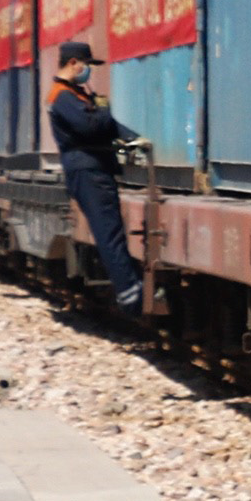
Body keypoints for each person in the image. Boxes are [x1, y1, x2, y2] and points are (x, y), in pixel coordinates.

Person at [47, 40, 143, 323]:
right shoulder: (62, 96)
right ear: (73, 63)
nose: (89, 70)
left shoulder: (74, 94)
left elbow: (104, 125)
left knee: (110, 231)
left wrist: (132, 137)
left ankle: (130, 289)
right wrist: (104, 110)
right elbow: (91, 126)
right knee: (108, 233)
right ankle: (131, 296)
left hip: (91, 169)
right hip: (88, 170)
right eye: (87, 65)